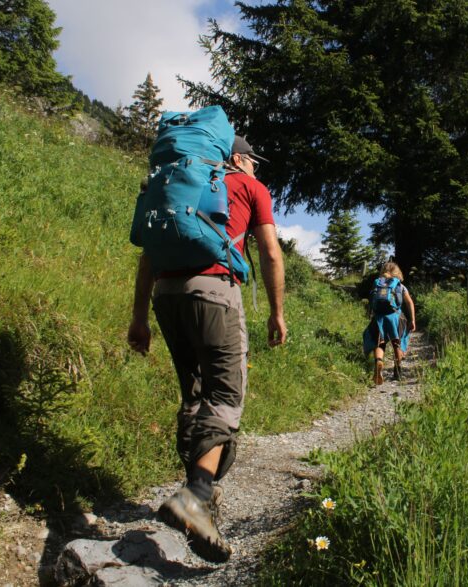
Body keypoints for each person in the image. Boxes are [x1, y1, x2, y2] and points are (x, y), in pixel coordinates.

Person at [126, 136, 286, 563]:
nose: (256, 166)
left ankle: (195, 495)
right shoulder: (250, 188)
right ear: (236, 157)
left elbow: (146, 257)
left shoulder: (175, 183)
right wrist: (277, 312)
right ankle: (197, 495)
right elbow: (270, 252)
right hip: (214, 291)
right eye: (253, 158)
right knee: (225, 396)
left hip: (166, 294)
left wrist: (139, 318)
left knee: (195, 396)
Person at [363, 262, 416, 385]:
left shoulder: (377, 284)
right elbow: (409, 303)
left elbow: (371, 301)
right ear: (398, 273)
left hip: (379, 317)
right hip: (395, 317)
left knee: (379, 343)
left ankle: (379, 361)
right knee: (396, 343)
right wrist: (412, 320)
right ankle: (397, 370)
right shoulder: (400, 286)